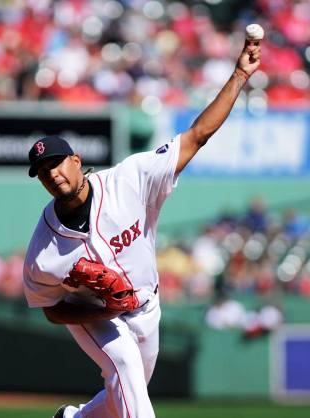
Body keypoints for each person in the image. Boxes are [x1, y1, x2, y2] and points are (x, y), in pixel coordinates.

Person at [23, 35, 262, 418]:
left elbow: (197, 135)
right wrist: (99, 312)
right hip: (96, 317)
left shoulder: (130, 180)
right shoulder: (43, 252)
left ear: (76, 160)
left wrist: (238, 75)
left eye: (56, 163)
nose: (51, 173)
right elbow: (52, 309)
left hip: (146, 306)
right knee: (125, 367)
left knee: (124, 396)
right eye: (42, 171)